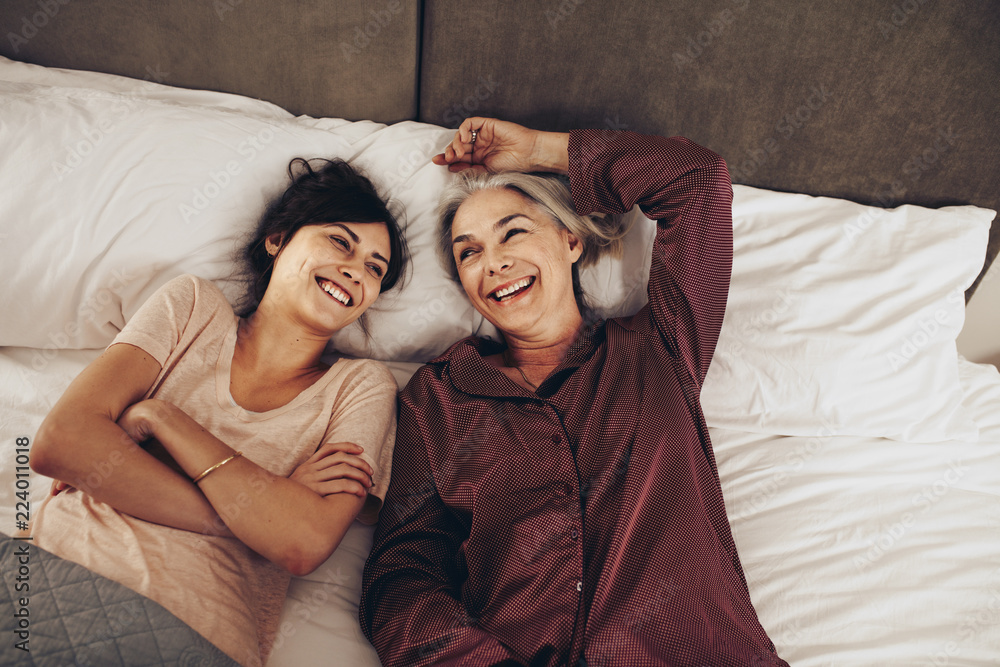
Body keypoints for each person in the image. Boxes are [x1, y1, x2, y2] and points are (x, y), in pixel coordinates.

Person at [360, 119, 789, 666]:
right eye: (469, 253)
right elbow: (402, 575)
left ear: (570, 239)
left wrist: (542, 149)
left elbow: (697, 179)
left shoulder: (658, 347)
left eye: (513, 232)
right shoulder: (441, 399)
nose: (493, 262)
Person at [30, 158, 406, 667]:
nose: (356, 270)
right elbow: (62, 442)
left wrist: (163, 419)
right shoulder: (190, 308)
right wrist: (259, 511)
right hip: (51, 584)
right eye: (341, 242)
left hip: (192, 634)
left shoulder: (360, 388)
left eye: (375, 269)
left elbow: (301, 541)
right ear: (277, 238)